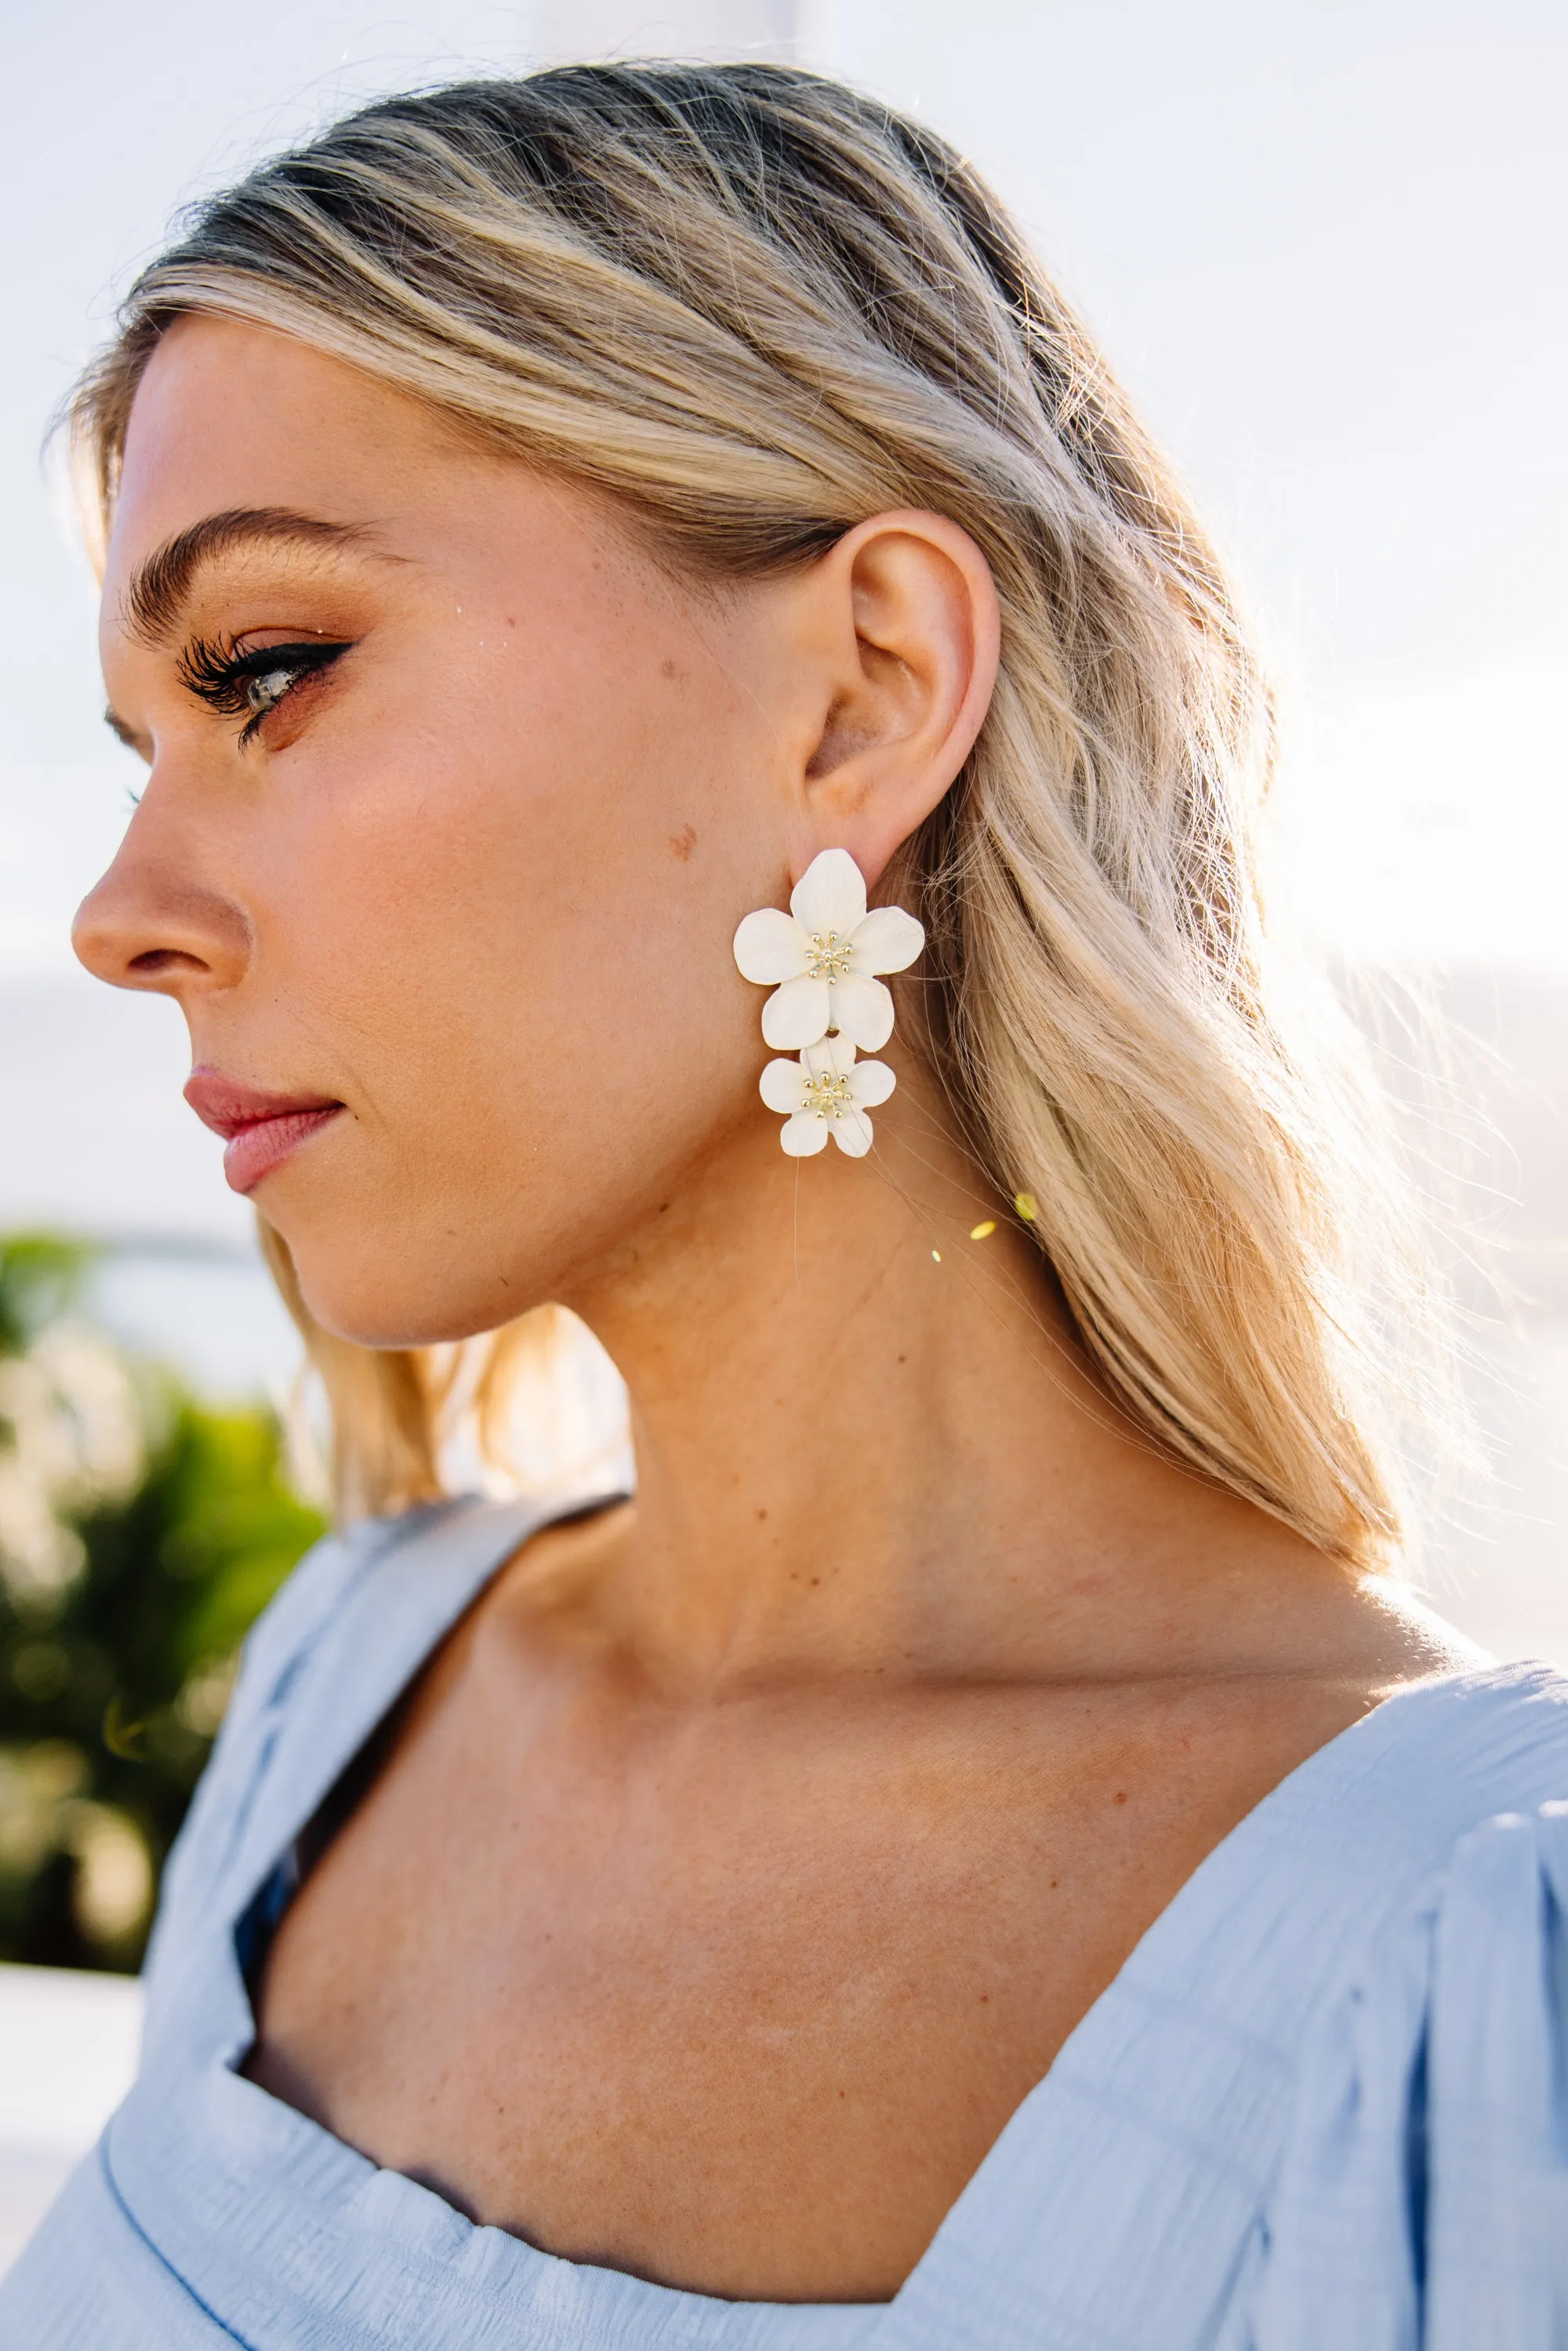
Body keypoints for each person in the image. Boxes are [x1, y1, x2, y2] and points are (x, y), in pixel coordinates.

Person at [4, 60, 1564, 2351]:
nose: (119, 915)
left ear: (863, 691)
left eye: (267, 670)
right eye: (141, 748)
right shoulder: (345, 1693)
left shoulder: (1453, 1978)